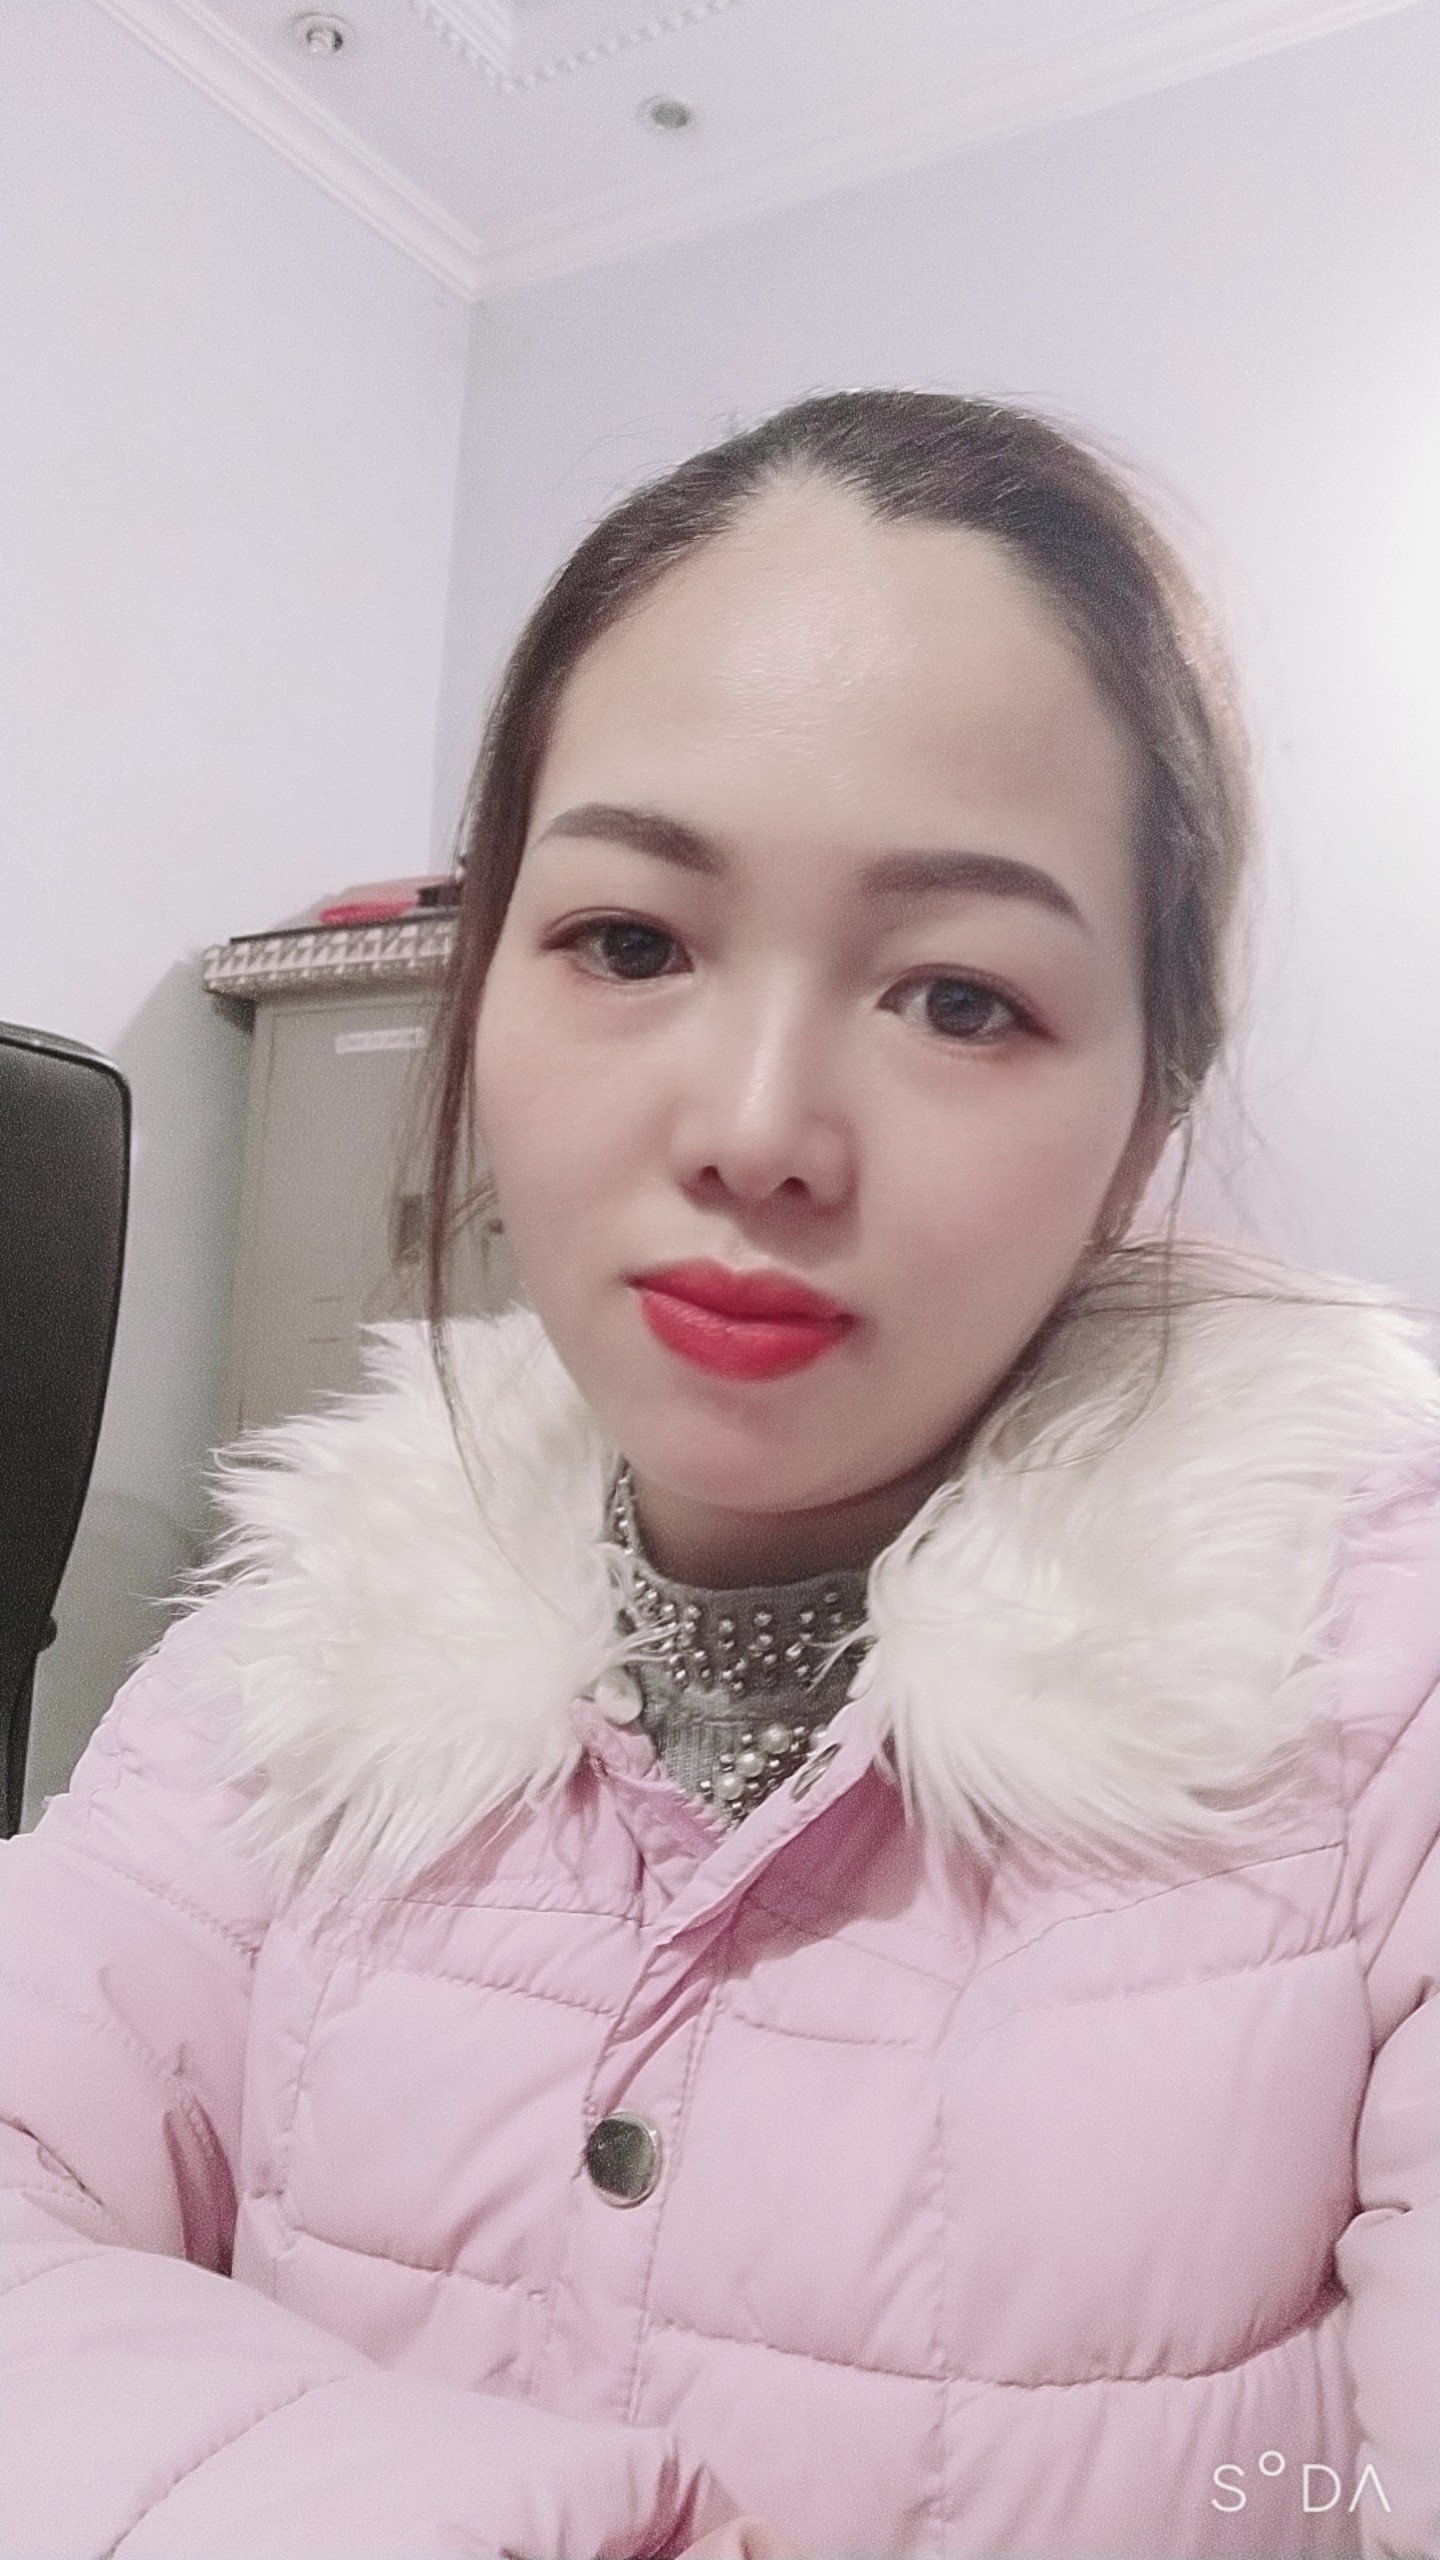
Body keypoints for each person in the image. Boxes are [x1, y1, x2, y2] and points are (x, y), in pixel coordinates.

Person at [2, 391, 1435, 2560]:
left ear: (1150, 1109)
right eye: (632, 943)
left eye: (960, 997)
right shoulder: (298, 1654)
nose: (759, 1127)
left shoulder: (1388, 1688)